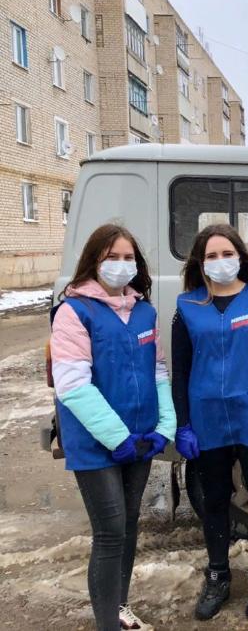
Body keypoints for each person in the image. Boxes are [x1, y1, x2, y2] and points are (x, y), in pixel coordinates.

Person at [50, 224, 176, 630]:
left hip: (139, 439)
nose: (121, 265)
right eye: (112, 257)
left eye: (128, 258)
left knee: (128, 525)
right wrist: (116, 437)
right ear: (93, 261)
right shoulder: (74, 312)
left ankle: (119, 609)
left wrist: (165, 425)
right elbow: (73, 385)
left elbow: (158, 371)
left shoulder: (144, 311)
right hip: (96, 443)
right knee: (109, 532)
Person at [171, 224, 248, 621]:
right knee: (216, 499)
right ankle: (218, 574)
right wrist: (183, 423)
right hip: (207, 420)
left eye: (227, 253)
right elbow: (180, 371)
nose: (220, 261)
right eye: (211, 256)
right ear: (200, 263)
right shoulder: (187, 306)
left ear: (240, 256)